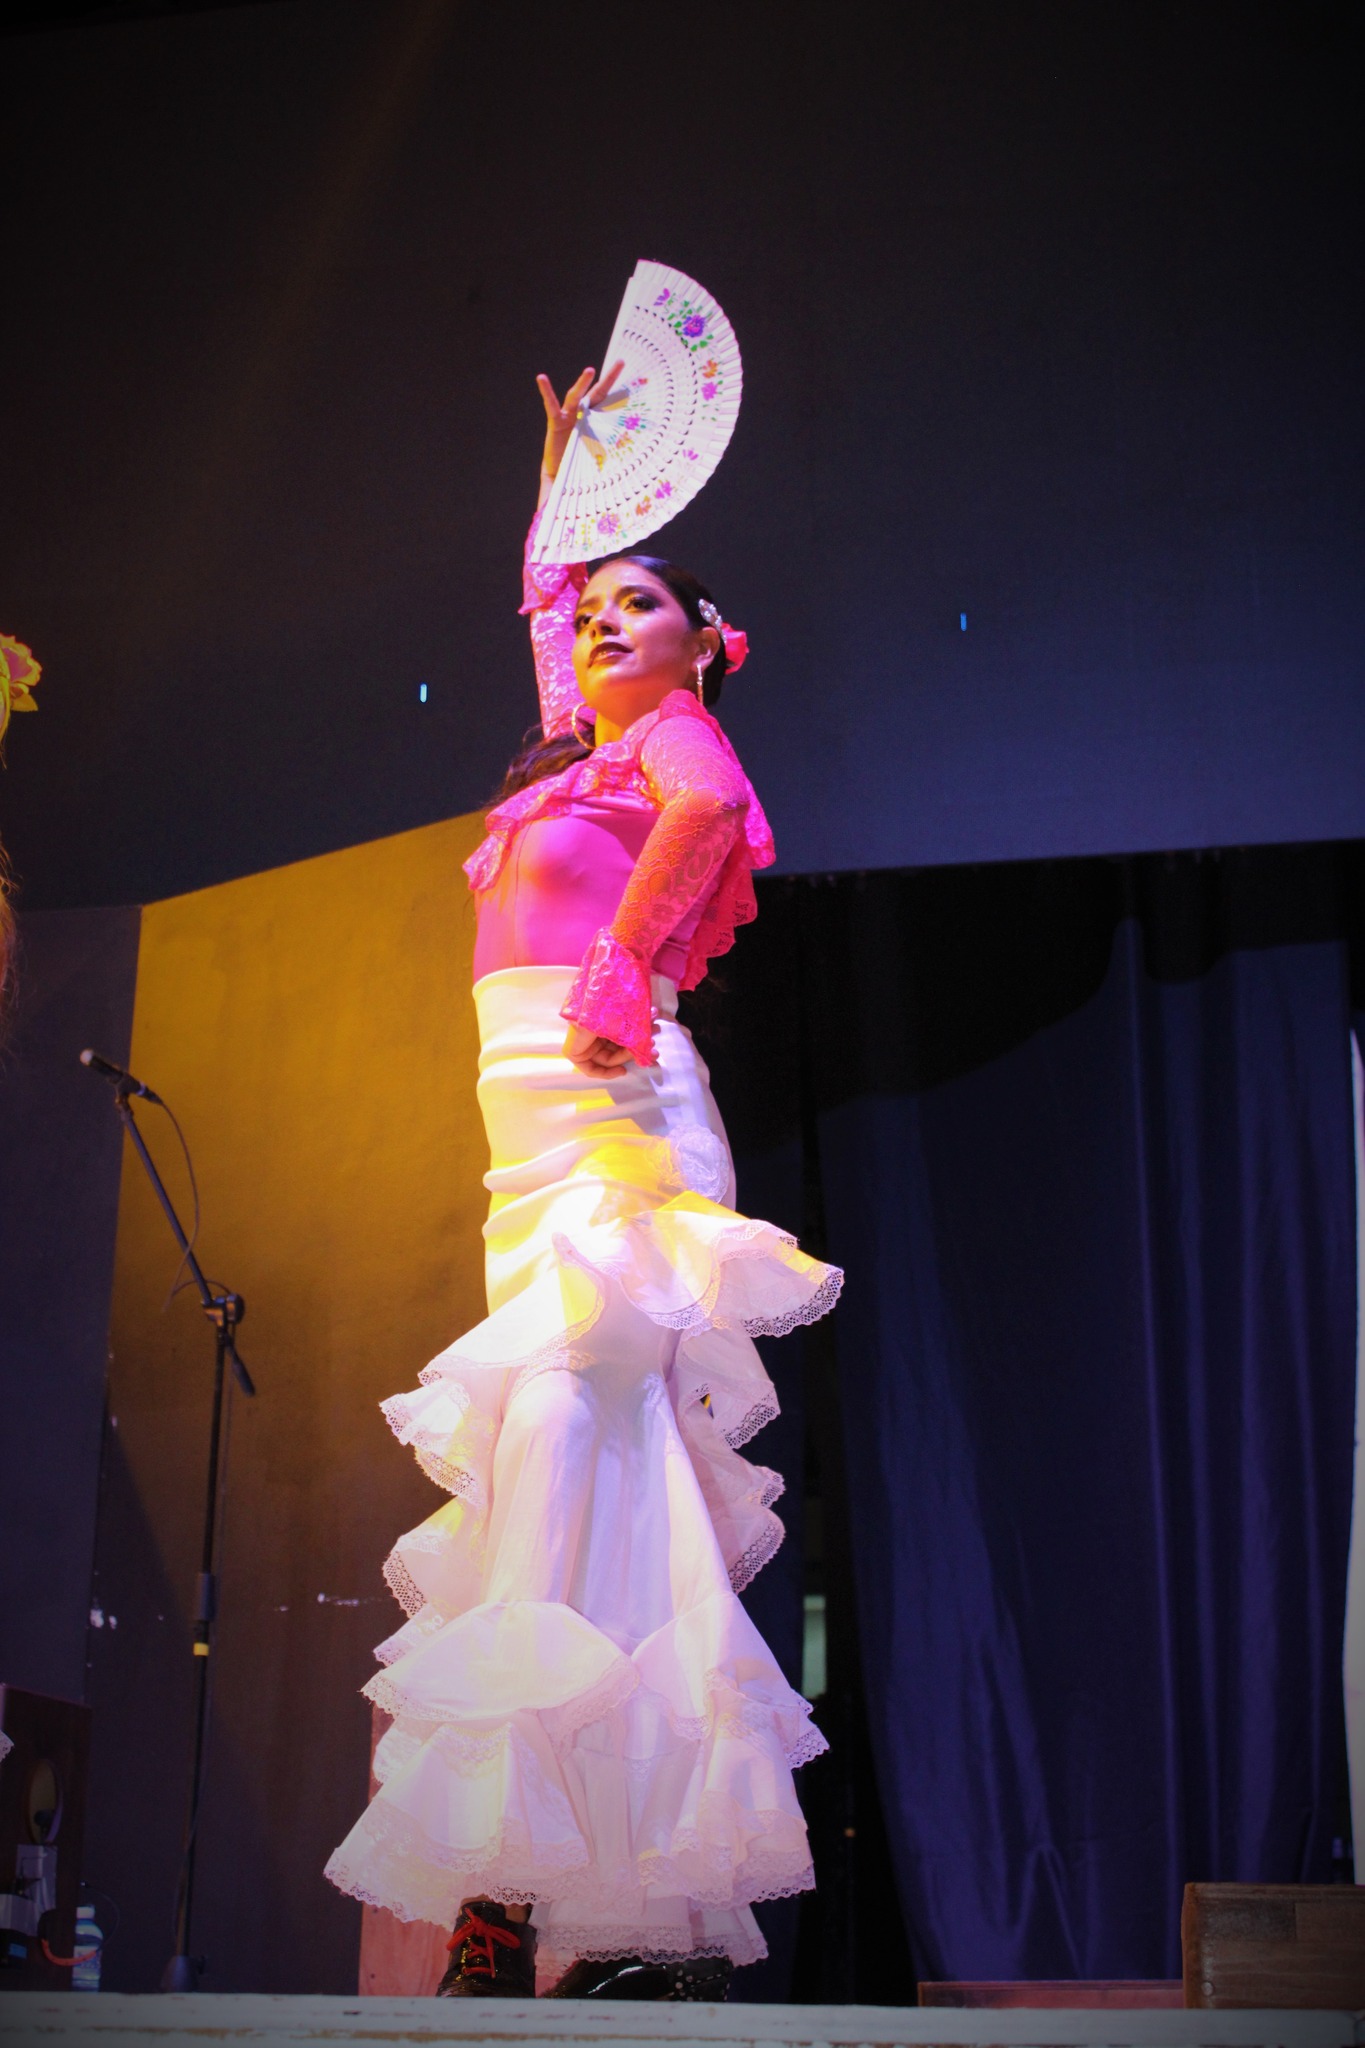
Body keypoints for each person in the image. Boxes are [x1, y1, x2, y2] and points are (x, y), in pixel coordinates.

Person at [325, 361, 842, 2000]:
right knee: (594, 1484)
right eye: (601, 612)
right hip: (524, 1141)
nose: (609, 624)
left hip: (615, 1116)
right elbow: (547, 604)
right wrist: (567, 489)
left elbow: (701, 814)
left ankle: (515, 1892)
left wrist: (623, 968)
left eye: (647, 606)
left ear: (707, 647)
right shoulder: (569, 748)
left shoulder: (672, 741)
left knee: (553, 1437)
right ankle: (614, 1905)